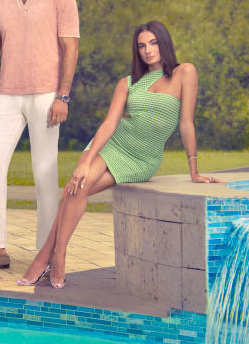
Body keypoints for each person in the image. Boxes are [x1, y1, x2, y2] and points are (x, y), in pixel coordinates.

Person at [18, 21, 223, 289]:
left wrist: (193, 170)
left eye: (153, 43)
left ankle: (44, 255)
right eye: (142, 46)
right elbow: (109, 125)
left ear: (164, 43)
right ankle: (58, 254)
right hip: (114, 143)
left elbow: (186, 123)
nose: (148, 51)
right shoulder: (128, 83)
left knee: (73, 189)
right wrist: (86, 160)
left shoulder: (185, 72)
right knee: (77, 185)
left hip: (142, 158)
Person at [0, 0, 79, 269]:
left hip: (47, 94)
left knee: (44, 171)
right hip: (7, 95)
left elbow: (70, 48)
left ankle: (46, 251)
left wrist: (63, 95)